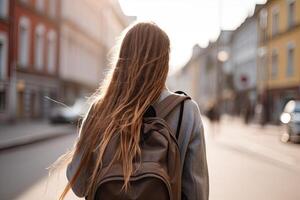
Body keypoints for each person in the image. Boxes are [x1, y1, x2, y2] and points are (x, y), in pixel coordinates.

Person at [53, 22, 209, 200]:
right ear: (164, 62)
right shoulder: (185, 111)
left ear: (122, 59)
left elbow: (79, 185)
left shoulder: (100, 109)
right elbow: (197, 193)